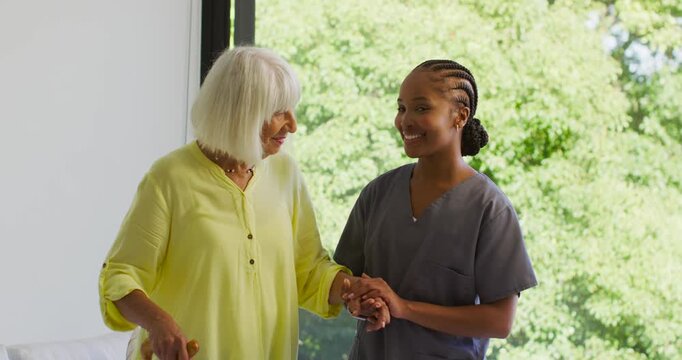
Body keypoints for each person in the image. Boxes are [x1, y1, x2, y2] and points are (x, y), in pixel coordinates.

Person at [98, 46, 387, 360]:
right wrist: (159, 322)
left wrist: (351, 289)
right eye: (278, 111)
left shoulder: (285, 173)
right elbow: (120, 275)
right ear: (239, 113)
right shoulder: (169, 177)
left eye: (292, 109)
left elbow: (308, 270)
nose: (292, 124)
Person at [334, 59, 538, 360]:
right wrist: (359, 301)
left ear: (460, 116)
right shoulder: (378, 193)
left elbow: (499, 321)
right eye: (401, 108)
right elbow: (345, 282)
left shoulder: (489, 209)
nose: (405, 120)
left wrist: (404, 308)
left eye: (421, 108)